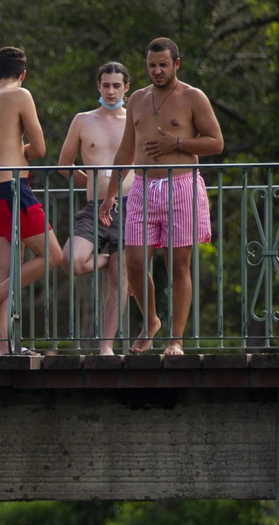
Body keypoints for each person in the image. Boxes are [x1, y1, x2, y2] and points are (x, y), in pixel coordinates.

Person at [99, 37, 224, 356]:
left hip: (180, 185)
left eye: (163, 65)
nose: (157, 70)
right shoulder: (138, 99)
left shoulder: (193, 97)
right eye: (152, 65)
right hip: (142, 187)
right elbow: (126, 150)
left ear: (176, 65)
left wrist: (178, 144)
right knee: (135, 260)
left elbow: (216, 142)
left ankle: (176, 340)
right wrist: (111, 194)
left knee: (178, 265)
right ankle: (151, 320)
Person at [56, 61, 160, 356]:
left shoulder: (136, 119)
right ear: (98, 86)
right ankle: (112, 262)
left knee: (120, 278)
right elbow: (64, 165)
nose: (111, 91)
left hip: (132, 205)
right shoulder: (83, 119)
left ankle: (106, 347)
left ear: (127, 87)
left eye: (117, 85)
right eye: (105, 85)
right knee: (70, 261)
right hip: (94, 208)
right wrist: (92, 185)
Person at [0, 46, 65, 356]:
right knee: (53, 256)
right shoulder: (21, 95)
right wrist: (21, 150)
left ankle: (0, 348)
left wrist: (10, 149)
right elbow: (38, 148)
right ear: (23, 74)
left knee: (8, 268)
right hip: (14, 189)